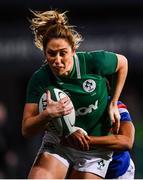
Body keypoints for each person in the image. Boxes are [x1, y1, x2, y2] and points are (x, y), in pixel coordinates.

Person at [22, 10, 128, 179]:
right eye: (51, 53)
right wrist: (47, 115)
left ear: (73, 50)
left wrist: (114, 103)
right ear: (44, 53)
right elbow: (26, 129)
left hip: (93, 150)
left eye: (63, 53)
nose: (57, 60)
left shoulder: (94, 62)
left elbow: (123, 63)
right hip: (60, 141)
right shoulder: (40, 79)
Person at [64, 100, 135, 179]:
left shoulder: (113, 106)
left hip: (116, 171)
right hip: (78, 167)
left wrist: (86, 140)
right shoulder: (65, 104)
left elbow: (127, 141)